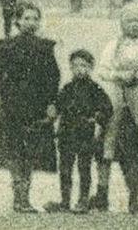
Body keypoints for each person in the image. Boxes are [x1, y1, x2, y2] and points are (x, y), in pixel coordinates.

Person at [0, 0, 60, 214]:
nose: (31, 22)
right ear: (17, 21)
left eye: (35, 18)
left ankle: (25, 197)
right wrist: (9, 91)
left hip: (37, 107)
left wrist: (51, 103)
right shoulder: (6, 46)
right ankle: (18, 195)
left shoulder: (46, 48)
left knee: (30, 152)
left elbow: (53, 78)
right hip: (12, 107)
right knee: (13, 150)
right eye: (26, 18)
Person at [100, 3, 138, 213]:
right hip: (117, 95)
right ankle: (102, 194)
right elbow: (102, 69)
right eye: (129, 21)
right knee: (108, 142)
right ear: (122, 24)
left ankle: (134, 197)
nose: (134, 25)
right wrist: (118, 75)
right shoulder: (113, 44)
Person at [47, 48, 113, 213]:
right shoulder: (67, 88)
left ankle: (83, 200)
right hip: (66, 133)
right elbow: (58, 105)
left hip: (85, 133)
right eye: (75, 66)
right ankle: (64, 201)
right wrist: (53, 111)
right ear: (70, 67)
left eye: (83, 65)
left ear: (90, 68)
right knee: (65, 168)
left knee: (84, 168)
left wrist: (97, 118)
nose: (79, 69)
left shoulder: (95, 89)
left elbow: (107, 108)